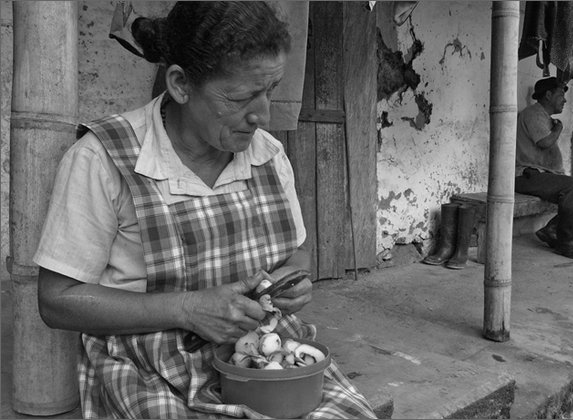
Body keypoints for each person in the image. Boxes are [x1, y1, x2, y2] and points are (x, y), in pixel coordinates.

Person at [34, 3, 376, 418]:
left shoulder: (269, 157)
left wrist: (290, 282)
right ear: (180, 84)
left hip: (264, 352)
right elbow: (57, 301)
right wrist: (187, 309)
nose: (262, 115)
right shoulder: (104, 158)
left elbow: (295, 254)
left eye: (270, 90)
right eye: (241, 97)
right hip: (149, 364)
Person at [515, 77, 573, 260]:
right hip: (526, 176)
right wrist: (558, 129)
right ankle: (566, 244)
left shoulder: (545, 117)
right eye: (561, 94)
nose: (564, 100)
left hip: (543, 177)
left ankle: (552, 229)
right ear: (548, 95)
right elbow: (545, 142)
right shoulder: (533, 113)